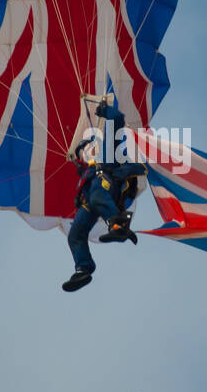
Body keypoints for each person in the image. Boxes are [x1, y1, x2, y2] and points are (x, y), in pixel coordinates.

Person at [62, 98, 145, 292]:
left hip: (107, 187)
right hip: (90, 202)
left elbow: (117, 121)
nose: (85, 151)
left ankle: (118, 224)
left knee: (98, 195)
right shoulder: (84, 175)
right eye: (82, 151)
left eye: (88, 147)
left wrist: (105, 111)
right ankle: (83, 269)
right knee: (75, 233)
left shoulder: (108, 155)